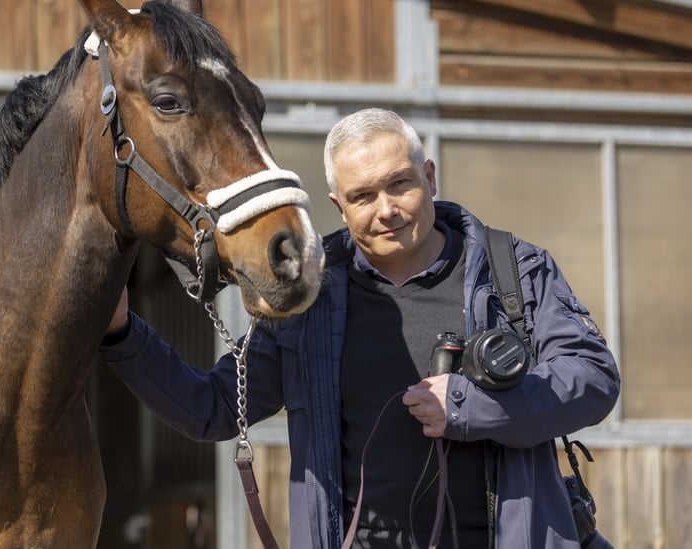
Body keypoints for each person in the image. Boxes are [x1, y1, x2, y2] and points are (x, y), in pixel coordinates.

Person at [100, 108, 620, 548]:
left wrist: (469, 406)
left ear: (430, 177)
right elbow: (213, 407)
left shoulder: (514, 269)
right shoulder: (311, 294)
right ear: (339, 207)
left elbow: (593, 379)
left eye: (400, 184)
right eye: (363, 196)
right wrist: (123, 332)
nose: (386, 210)